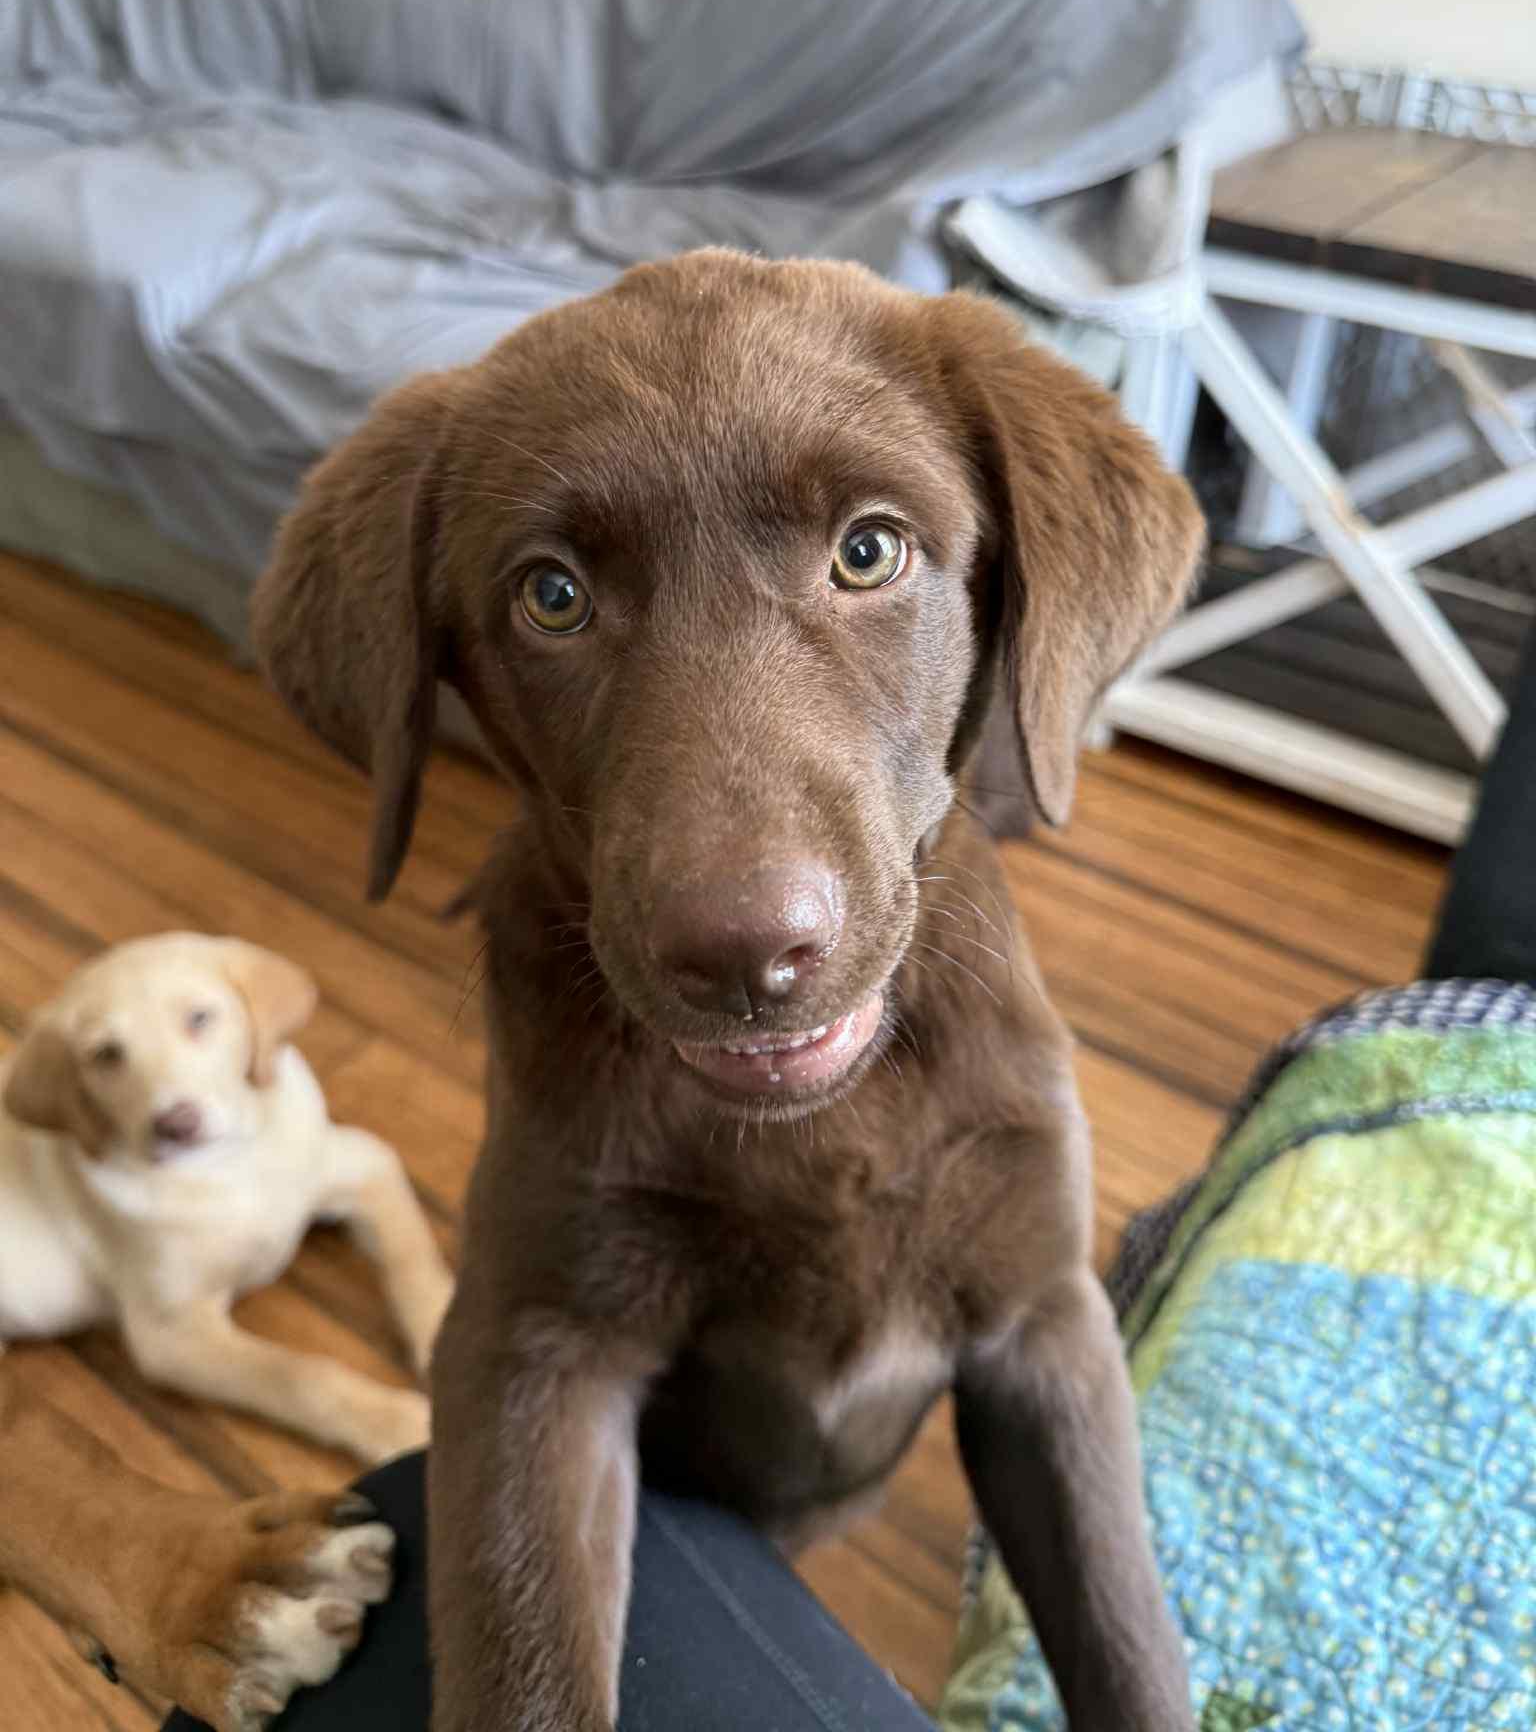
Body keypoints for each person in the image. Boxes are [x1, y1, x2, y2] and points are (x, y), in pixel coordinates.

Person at [167, 623, 1536, 1732]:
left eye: (867, 552)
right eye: (555, 597)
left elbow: (1043, 1323)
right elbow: (541, 1349)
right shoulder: (575, 1039)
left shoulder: (986, 1044)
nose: (758, 914)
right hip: (674, 1495)